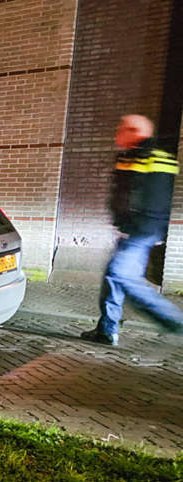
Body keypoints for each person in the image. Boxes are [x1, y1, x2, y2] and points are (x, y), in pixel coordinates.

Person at [81, 115, 183, 346]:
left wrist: (131, 228)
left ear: (133, 131)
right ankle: (107, 330)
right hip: (137, 231)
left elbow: (142, 198)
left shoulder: (144, 158)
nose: (117, 131)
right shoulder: (141, 157)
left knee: (121, 274)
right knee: (112, 278)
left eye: (121, 128)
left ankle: (174, 320)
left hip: (137, 232)